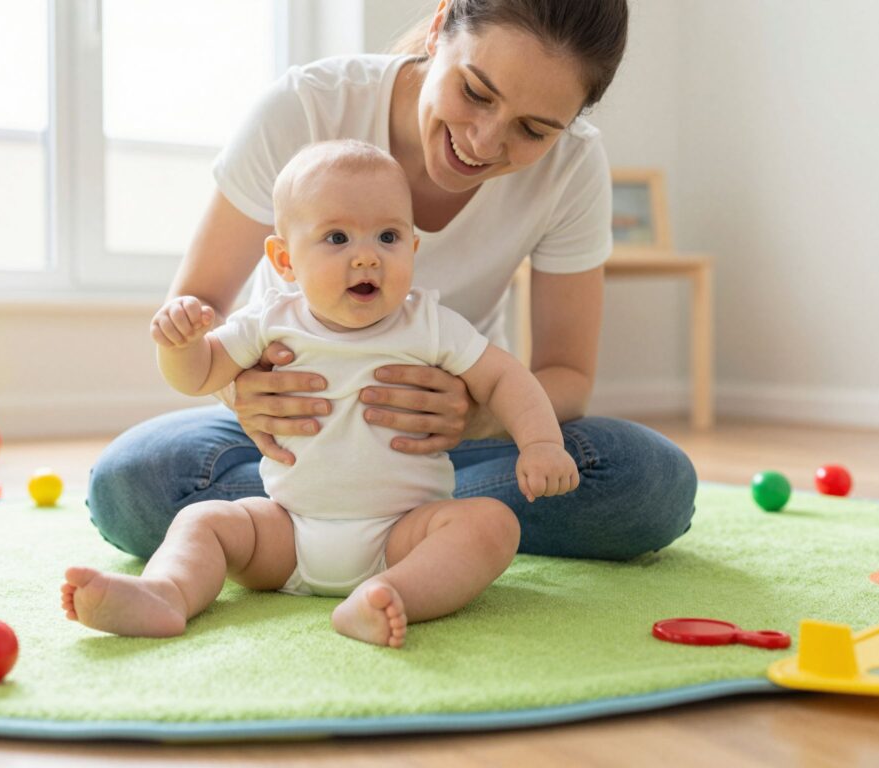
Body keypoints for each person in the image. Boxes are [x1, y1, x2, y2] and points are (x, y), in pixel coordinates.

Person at [88, 0, 697, 567]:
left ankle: (330, 533)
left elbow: (566, 374)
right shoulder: (306, 108)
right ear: (438, 29)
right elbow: (197, 309)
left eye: (534, 131)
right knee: (134, 480)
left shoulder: (573, 168)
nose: (485, 143)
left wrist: (474, 416)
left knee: (648, 479)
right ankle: (420, 532)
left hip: (443, 447)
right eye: (476, 92)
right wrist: (243, 391)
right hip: (292, 441)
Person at [62, 140, 578, 648]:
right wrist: (181, 344)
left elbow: (506, 378)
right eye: (337, 239)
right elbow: (198, 375)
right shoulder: (269, 319)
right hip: (287, 532)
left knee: (491, 525)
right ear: (285, 260)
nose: (367, 258)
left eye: (388, 237)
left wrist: (540, 444)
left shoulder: (430, 324)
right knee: (205, 521)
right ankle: (166, 593)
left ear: (413, 249)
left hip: (402, 535)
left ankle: (389, 595)